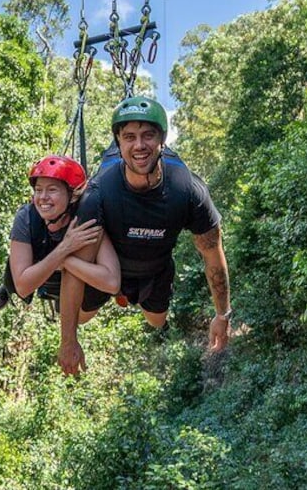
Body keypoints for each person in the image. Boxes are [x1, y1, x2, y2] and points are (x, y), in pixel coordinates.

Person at [58, 96, 232, 375]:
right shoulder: (100, 192)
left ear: (162, 140)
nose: (139, 145)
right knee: (79, 319)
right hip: (108, 268)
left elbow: (213, 252)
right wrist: (68, 342)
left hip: (155, 269)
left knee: (156, 321)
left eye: (148, 135)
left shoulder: (187, 191)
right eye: (129, 137)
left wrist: (223, 315)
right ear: (118, 143)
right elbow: (75, 273)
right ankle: (113, 288)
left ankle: (132, 293)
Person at [0, 155, 120, 313]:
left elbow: (112, 283)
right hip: (40, 273)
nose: (43, 197)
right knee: (13, 268)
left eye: (52, 190)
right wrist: (64, 249)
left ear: (73, 195)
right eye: (38, 190)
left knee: (86, 306)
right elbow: (23, 287)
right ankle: (6, 288)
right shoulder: (27, 217)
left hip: (79, 281)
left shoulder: (85, 217)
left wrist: (65, 261)